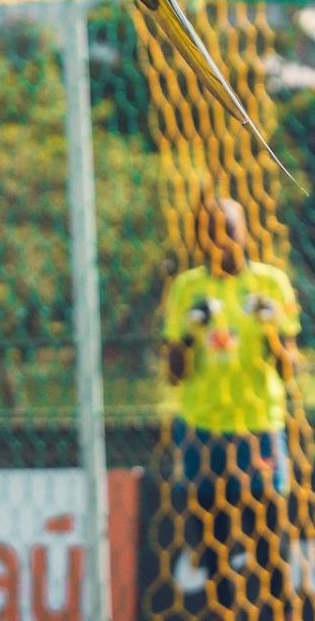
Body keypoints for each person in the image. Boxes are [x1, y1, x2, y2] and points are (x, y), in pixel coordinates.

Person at [162, 194, 300, 612]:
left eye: (229, 230)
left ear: (245, 233)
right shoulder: (187, 288)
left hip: (257, 428)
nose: (221, 240)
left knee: (267, 542)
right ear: (201, 237)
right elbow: (173, 373)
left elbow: (289, 368)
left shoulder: (270, 283)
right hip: (203, 430)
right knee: (211, 546)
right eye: (212, 231)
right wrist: (189, 332)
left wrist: (272, 328)